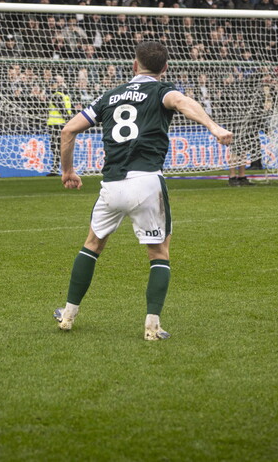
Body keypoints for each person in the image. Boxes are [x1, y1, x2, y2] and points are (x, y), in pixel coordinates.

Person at [53, 41, 233, 340]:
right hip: (146, 181)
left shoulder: (109, 96)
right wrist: (213, 127)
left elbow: (68, 129)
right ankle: (152, 325)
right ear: (165, 68)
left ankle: (68, 313)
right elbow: (182, 103)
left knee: (93, 245)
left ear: (134, 66)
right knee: (158, 252)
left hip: (111, 184)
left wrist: (68, 171)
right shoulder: (163, 91)